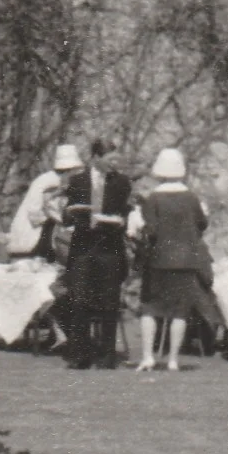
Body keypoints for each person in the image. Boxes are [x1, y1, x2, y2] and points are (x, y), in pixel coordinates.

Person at [135, 148, 209, 373]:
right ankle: (173, 360)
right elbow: (202, 224)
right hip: (186, 260)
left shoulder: (154, 198)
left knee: (150, 308)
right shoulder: (191, 197)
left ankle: (148, 357)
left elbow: (151, 230)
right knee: (180, 311)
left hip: (159, 260)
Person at [61, 140, 130, 370]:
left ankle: (106, 356)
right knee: (79, 301)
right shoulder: (77, 181)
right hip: (82, 248)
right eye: (110, 160)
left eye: (116, 160)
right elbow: (67, 216)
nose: (114, 165)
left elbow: (124, 214)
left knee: (109, 302)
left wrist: (118, 221)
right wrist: (73, 213)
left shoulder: (121, 183)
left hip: (109, 248)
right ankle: (79, 355)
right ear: (95, 158)